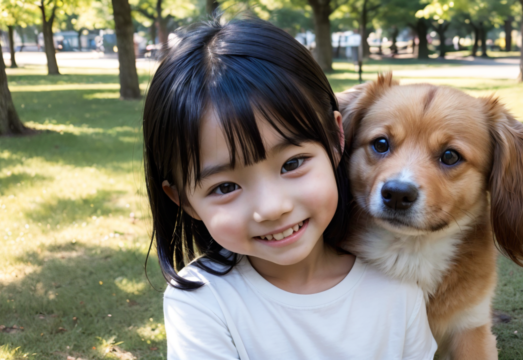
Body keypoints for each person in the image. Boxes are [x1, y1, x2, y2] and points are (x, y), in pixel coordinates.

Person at [142, 16, 437, 360]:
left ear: (335, 138)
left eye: (292, 164)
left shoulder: (399, 289)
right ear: (183, 200)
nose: (272, 207)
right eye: (225, 186)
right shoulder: (202, 302)